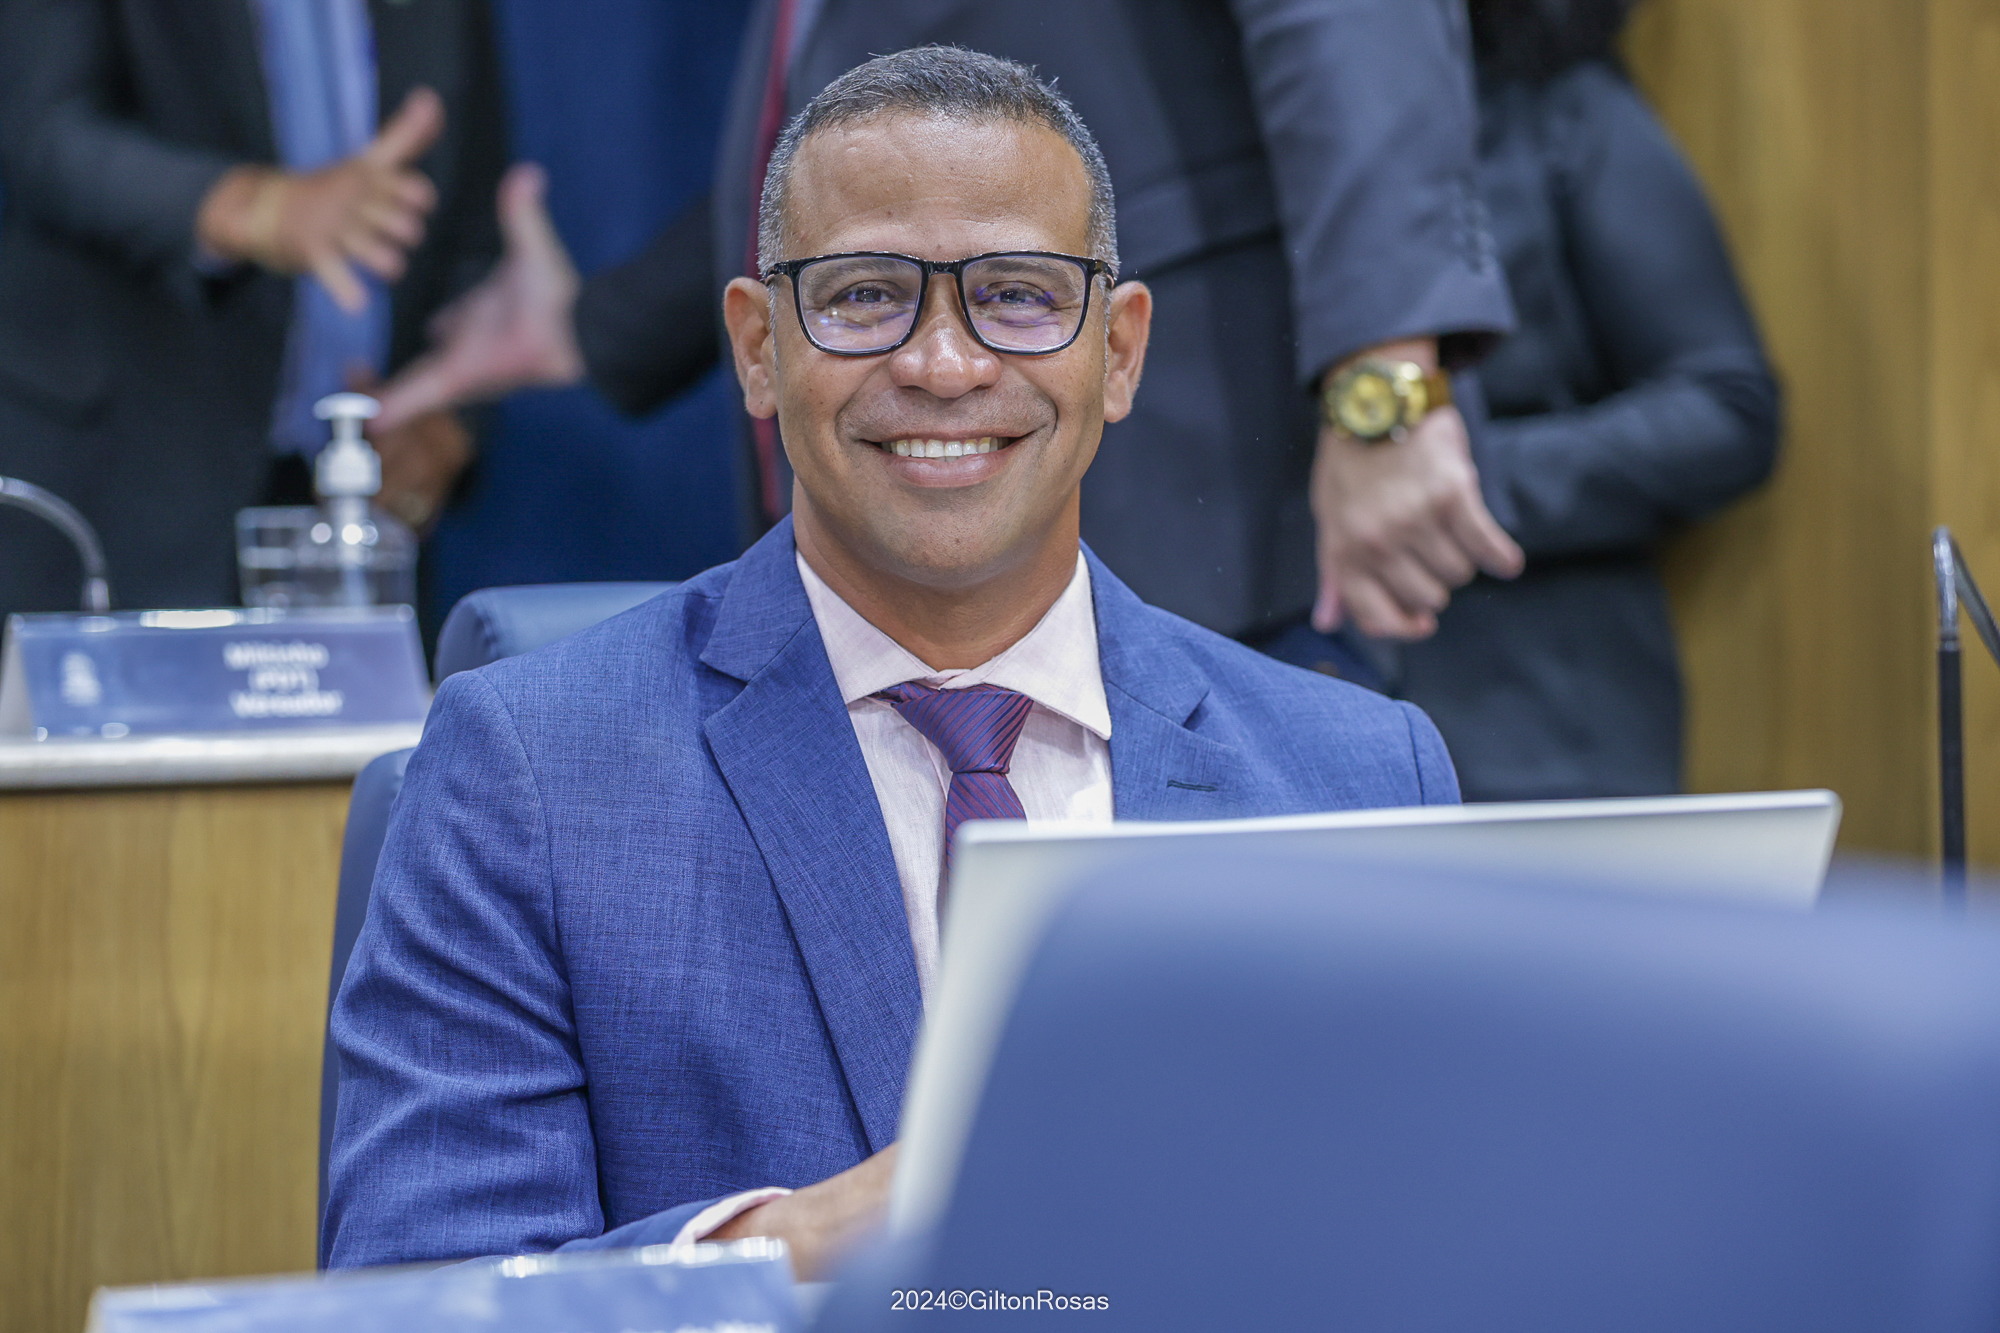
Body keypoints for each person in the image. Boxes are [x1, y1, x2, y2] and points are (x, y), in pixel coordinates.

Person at [323, 47, 1460, 1277]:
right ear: (757, 348)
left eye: (1017, 294)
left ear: (1120, 351)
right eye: (865, 296)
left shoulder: (1357, 780)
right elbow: (418, 1289)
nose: (943, 364)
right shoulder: (530, 772)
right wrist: (807, 1241)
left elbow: (1447, 1251)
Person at [371, 0, 1525, 667]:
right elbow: (862, 144)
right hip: (907, 594)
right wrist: (593, 326)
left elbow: (1347, 22)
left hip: (1205, 528)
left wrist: (1384, 383)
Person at [1388, 0, 1780, 799]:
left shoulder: (1560, 114)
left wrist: (1460, 481)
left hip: (1539, 708)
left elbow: (1727, 405)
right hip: (1290, 694)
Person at [0, 0, 506, 620]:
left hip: (360, 499)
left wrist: (452, 416)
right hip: (128, 464)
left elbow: (477, 222)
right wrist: (257, 208)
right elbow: (43, 129)